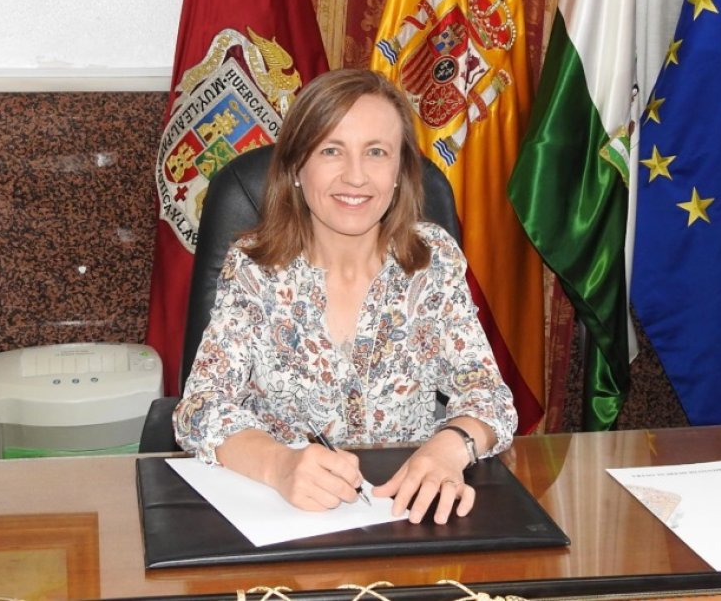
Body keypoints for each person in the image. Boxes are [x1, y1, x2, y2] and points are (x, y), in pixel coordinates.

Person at [173, 68, 517, 525]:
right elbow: (199, 409)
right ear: (297, 166)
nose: (355, 177)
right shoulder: (254, 268)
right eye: (331, 150)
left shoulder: (432, 260)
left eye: (376, 152)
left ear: (399, 172)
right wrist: (280, 465)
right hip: (285, 514)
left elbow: (489, 397)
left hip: (404, 513)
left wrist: (449, 447)